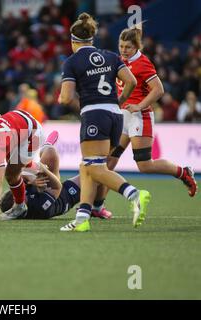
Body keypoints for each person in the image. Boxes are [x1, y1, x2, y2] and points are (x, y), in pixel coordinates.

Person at [58, 13, 149, 232]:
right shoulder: (109, 56)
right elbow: (131, 81)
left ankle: (134, 194)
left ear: (73, 41)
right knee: (87, 166)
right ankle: (82, 218)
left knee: (92, 166)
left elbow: (67, 98)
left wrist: (60, 98)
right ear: (91, 39)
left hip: (94, 114)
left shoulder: (72, 62)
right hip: (115, 115)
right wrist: (119, 101)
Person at [94, 27, 198, 215]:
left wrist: (140, 106)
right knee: (108, 162)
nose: (124, 50)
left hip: (139, 117)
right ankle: (98, 207)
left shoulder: (143, 63)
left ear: (137, 47)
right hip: (122, 116)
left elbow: (158, 90)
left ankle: (183, 172)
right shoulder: (119, 60)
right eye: (121, 46)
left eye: (128, 47)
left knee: (144, 165)